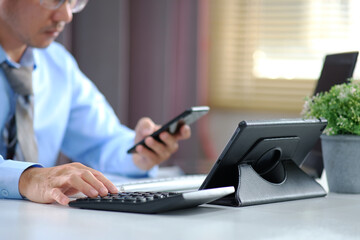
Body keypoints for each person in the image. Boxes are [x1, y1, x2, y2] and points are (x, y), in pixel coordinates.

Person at [0, 0, 191, 206]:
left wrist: (139, 153)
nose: (66, 16)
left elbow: (101, 141)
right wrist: (26, 178)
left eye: (73, 2)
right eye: (54, 0)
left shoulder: (58, 64)